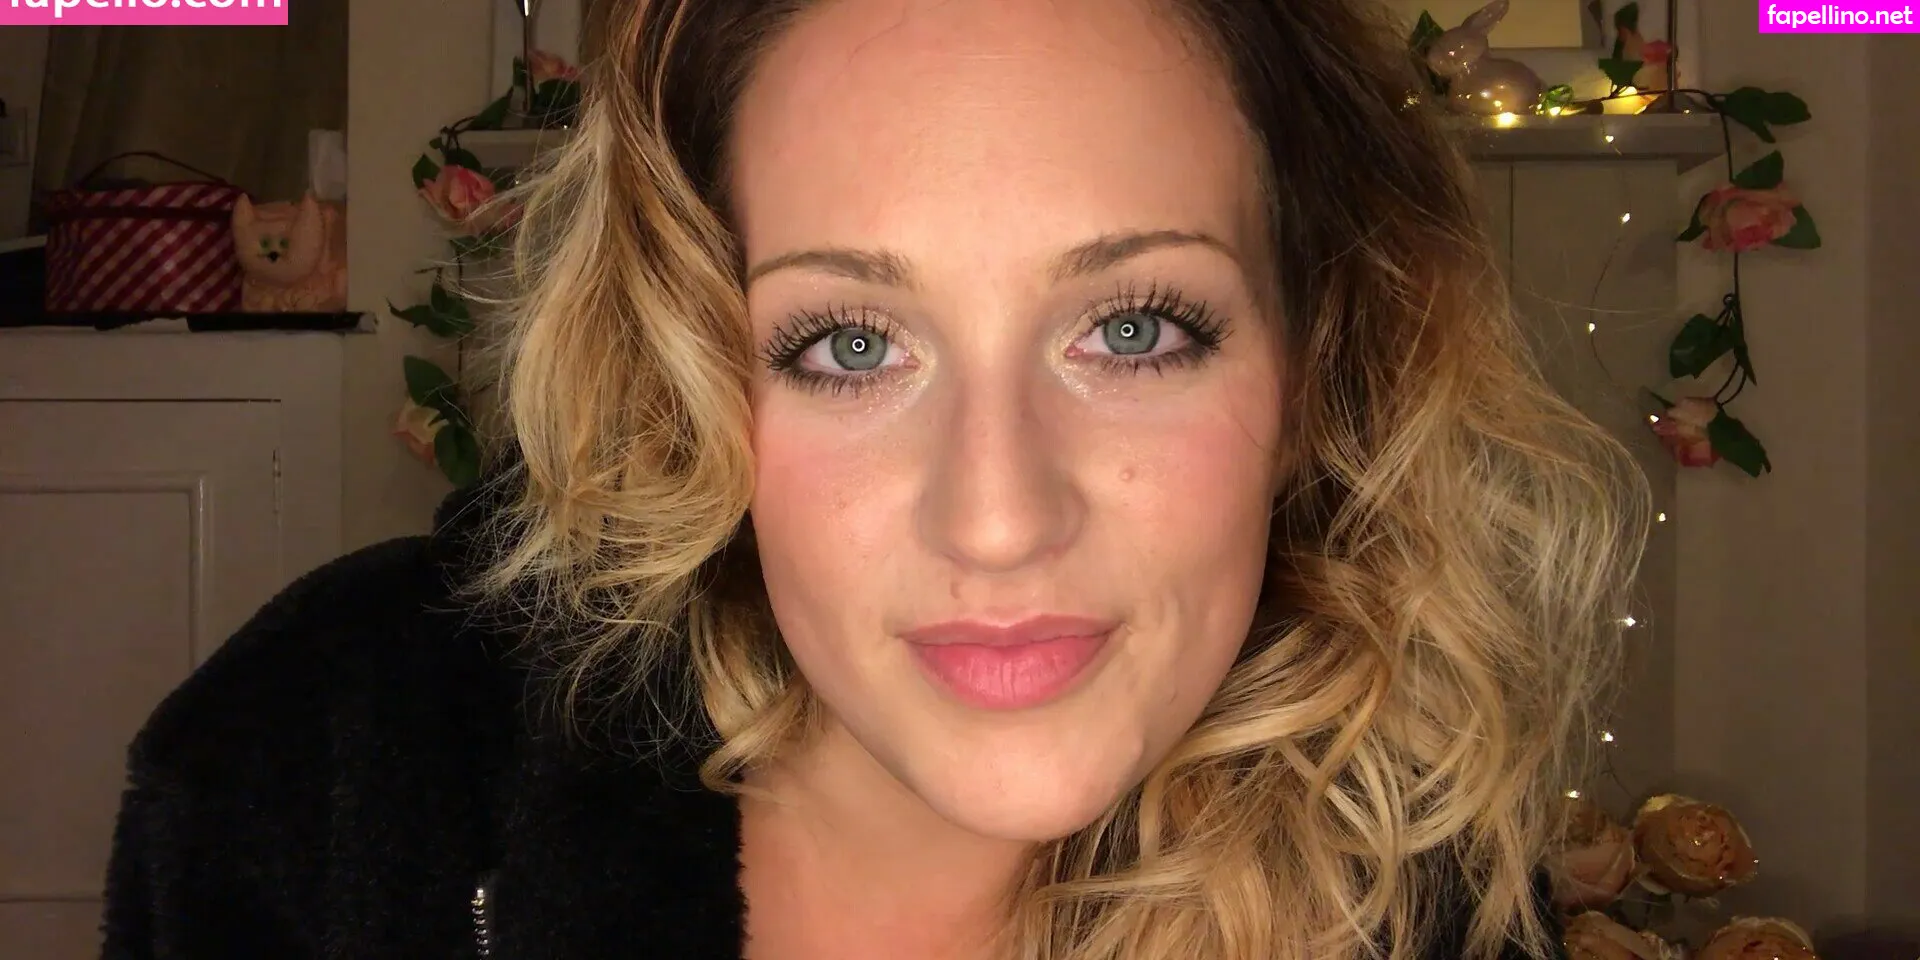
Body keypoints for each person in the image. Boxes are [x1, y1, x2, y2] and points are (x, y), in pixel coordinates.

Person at [99, 0, 1648, 957]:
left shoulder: (1413, 880)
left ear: (1316, 371)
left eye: (1131, 329)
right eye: (849, 345)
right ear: (694, 382)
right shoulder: (332, 764)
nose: (999, 517)